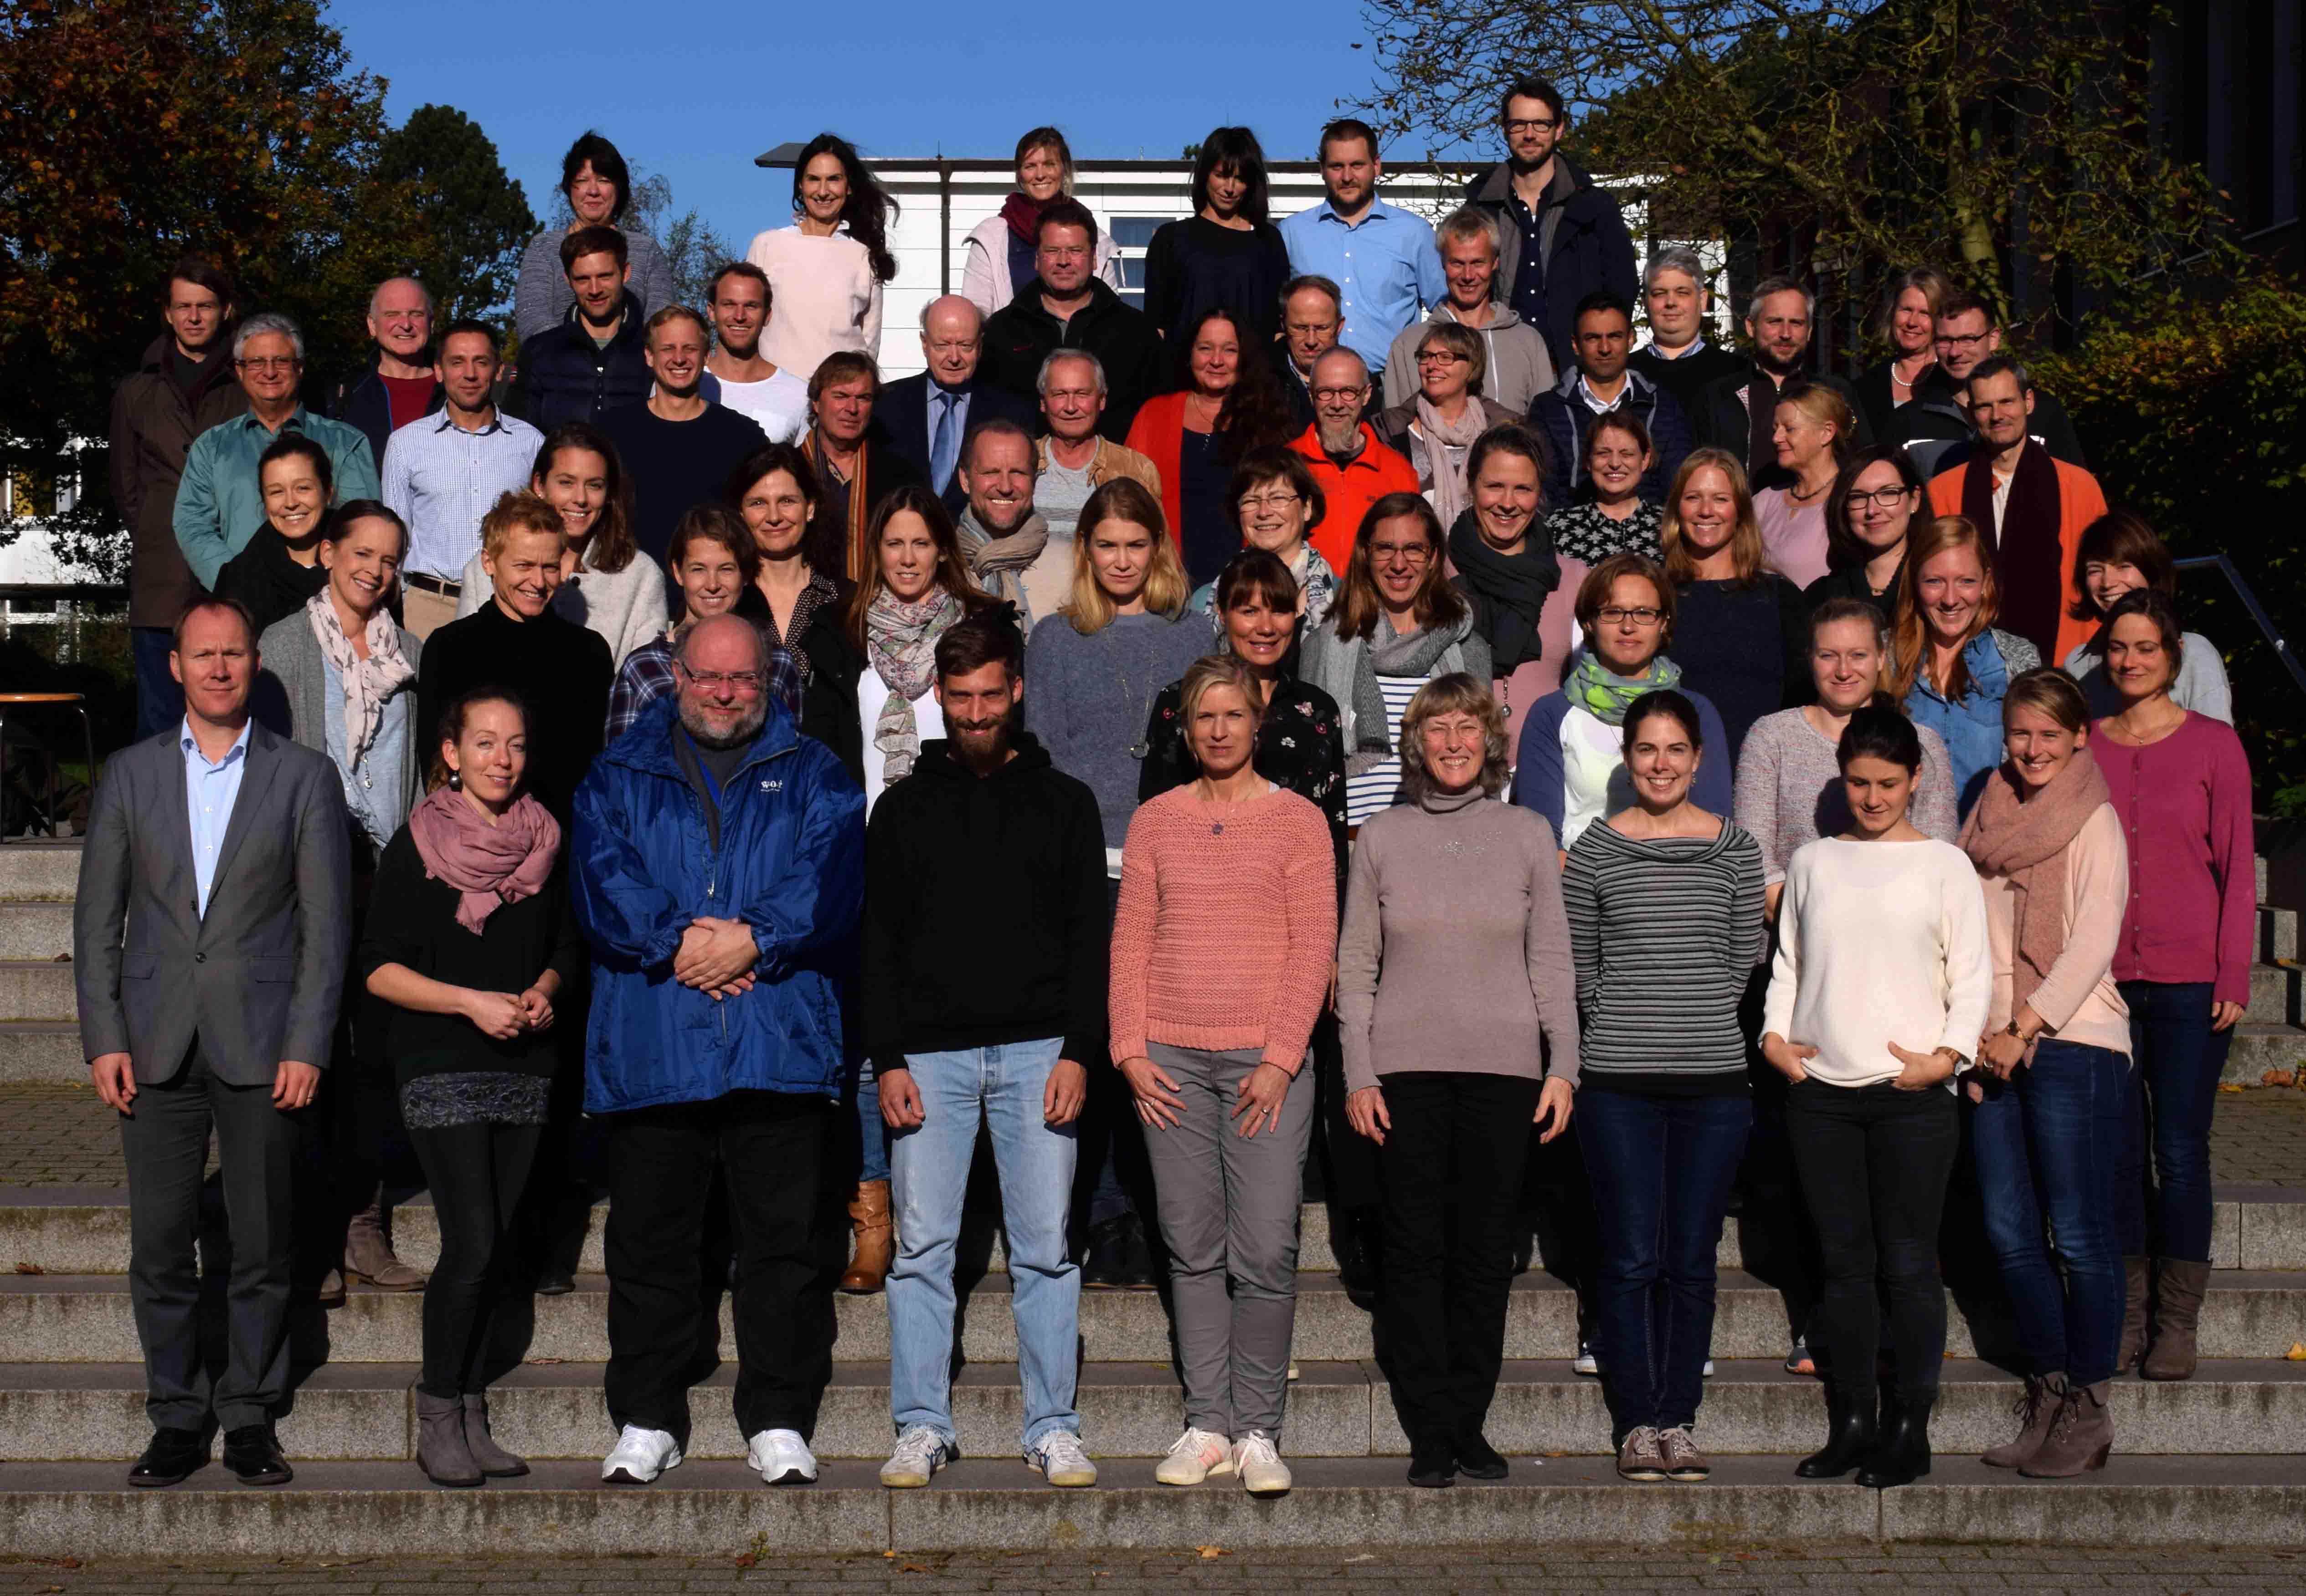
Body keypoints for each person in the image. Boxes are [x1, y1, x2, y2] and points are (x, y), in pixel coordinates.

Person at [570, 613, 864, 1488]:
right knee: (653, 1244)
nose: (725, 694)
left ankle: (776, 1413)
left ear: (768, 679)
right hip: (656, 1039)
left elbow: (830, 876)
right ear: (679, 677)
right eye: (708, 679)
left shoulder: (816, 772)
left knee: (783, 1245)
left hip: (778, 1039)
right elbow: (601, 877)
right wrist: (680, 941)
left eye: (742, 679)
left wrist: (755, 939)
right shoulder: (617, 772)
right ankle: (648, 1414)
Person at [75, 597, 352, 1488]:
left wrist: (309, 1040)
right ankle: (175, 1414)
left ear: (254, 665)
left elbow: (325, 926)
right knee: (160, 1240)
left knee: (263, 1240)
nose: (221, 667)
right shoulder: (128, 773)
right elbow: (95, 924)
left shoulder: (304, 777)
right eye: (204, 653)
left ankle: (248, 1413)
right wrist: (102, 1033)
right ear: (177, 665)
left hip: (266, 1040)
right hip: (151, 1040)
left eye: (234, 652)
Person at [864, 613, 1105, 1492]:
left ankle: (1053, 1427)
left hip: (1044, 1048)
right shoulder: (901, 807)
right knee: (923, 1249)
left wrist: (1081, 1050)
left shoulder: (1066, 803)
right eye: (959, 698)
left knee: (1044, 1248)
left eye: (989, 696)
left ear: (1018, 691)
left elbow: (1090, 941)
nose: (974, 714)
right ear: (938, 696)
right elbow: (878, 941)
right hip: (928, 1059)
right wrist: (887, 1056)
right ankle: (923, 1425)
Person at [1340, 673, 1580, 1487]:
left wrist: (1565, 1065)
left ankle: (1468, 1421)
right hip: (1403, 1073)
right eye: (1436, 727)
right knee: (1413, 1252)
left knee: (1483, 1255)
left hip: (1505, 1074)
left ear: (1490, 741)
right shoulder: (1381, 835)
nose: (1451, 742)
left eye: (1466, 727)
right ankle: (1428, 1428)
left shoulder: (1526, 832)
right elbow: (1357, 965)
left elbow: (1550, 957)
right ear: (1416, 742)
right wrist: (1358, 1071)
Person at [1113, 653, 1336, 1496]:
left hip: (1263, 1064)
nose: (1217, 730)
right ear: (1184, 726)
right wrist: (1130, 1050)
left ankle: (1258, 1430)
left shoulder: (1298, 822)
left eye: (1232, 715)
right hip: (1169, 1061)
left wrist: (1282, 1057)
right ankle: (1207, 1422)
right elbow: (1131, 938)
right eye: (1203, 717)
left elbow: (1314, 943)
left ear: (1257, 723)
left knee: (1269, 1246)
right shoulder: (1158, 819)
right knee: (1193, 1244)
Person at [1760, 704, 1989, 1488]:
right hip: (1819, 1091)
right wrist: (1774, 1038)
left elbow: (1974, 974)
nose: (1871, 796)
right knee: (1844, 1266)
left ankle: (1909, 1427)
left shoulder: (1945, 865)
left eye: (1888, 782)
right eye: (1857, 781)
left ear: (1916, 778)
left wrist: (1948, 1058)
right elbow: (1790, 960)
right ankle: (1853, 1420)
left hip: (1912, 1095)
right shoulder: (1816, 859)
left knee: (1908, 1264)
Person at [360, 688, 583, 1487]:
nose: (503, 758)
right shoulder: (414, 846)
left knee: (497, 1249)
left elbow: (566, 943)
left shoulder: (546, 839)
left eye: (516, 744)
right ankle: (438, 1406)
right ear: (451, 752)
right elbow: (378, 966)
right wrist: (468, 1001)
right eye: (485, 743)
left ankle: (471, 1407)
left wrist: (545, 989)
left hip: (525, 1062)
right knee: (473, 1241)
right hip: (440, 1060)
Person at [1561, 688, 1762, 1484]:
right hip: (1617, 1082)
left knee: (1692, 1256)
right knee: (1631, 1255)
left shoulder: (1737, 849)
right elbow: (1583, 966)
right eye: (1646, 748)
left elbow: (1742, 956)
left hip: (1715, 1081)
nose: (1661, 763)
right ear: (1627, 757)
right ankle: (1637, 1421)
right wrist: (1626, 1022)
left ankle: (1680, 1418)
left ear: (1699, 758)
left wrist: (1691, 1015)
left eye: (1675, 749)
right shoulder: (1597, 849)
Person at [1957, 669, 2131, 1478]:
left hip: (2074, 1036)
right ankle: (2050, 1387)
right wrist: (1988, 1030)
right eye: (2021, 733)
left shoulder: (2094, 819)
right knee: (2007, 1229)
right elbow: (1969, 930)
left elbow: (2093, 940)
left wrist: (2027, 1024)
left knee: (2080, 1231)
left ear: (2078, 739)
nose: (2032, 749)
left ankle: (2090, 1406)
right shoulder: (1987, 812)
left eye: (2049, 736)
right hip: (1996, 1039)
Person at [251, 502, 427, 1298]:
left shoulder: (410, 653)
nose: (376, 570)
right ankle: (309, 1233)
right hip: (303, 879)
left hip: (385, 881)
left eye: (390, 559)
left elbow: (416, 772)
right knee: (305, 1054)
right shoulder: (284, 645)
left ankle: (364, 1226)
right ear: (328, 552)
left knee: (370, 1061)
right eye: (362, 553)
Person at [2095, 590, 2255, 1384]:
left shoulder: (2215, 746)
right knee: (2121, 1154)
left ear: (2172, 656)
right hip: (2110, 986)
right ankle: (2125, 1316)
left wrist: (2234, 970)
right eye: (2118, 648)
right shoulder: (2087, 743)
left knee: (2180, 1152)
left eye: (2145, 648)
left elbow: (2235, 867)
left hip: (2194, 982)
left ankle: (2176, 1320)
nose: (2129, 661)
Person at [1736, 598, 1960, 915]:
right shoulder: (1772, 737)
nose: (1843, 671)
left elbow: (1938, 853)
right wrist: (1820, 928)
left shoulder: (1922, 743)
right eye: (1828, 656)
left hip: (1899, 931)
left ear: (1881, 657)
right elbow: (1754, 856)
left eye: (1858, 655)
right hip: (1791, 936)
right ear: (1810, 659)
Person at [417, 493, 614, 824]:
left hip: (566, 850)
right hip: (475, 845)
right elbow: (437, 768)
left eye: (550, 567)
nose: (538, 582)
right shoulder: (449, 648)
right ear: (489, 562)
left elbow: (597, 768)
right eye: (523, 565)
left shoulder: (589, 653)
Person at [1513, 552, 1732, 851]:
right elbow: (1540, 841)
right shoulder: (1551, 713)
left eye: (1643, 612)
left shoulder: (1697, 712)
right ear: (1589, 622)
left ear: (1664, 623)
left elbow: (1715, 824)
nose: (1628, 627)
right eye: (1612, 612)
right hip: (1578, 882)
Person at [1144, 550, 1348, 868]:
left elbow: (1332, 829)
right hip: (1199, 890)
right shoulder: (1182, 700)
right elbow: (1155, 820)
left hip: (1296, 897)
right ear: (1223, 615)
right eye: (1250, 611)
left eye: (1279, 611)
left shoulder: (1317, 712)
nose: (1266, 627)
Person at [113, 257, 248, 737]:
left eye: (205, 306)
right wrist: (159, 529)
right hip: (160, 578)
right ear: (168, 314)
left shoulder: (250, 383)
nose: (194, 317)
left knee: (235, 711)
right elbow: (127, 487)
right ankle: (159, 814)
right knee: (158, 719)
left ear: (225, 311)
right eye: (183, 306)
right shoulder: (136, 390)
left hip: (233, 570)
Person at [1302, 495, 1494, 826]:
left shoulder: (1467, 648)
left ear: (1433, 556)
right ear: (1366, 554)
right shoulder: (1322, 645)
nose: (1399, 564)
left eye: (1414, 549)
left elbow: (1485, 759)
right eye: (1385, 548)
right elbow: (1306, 760)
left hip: (1440, 838)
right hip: (1347, 843)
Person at [174, 313, 379, 591]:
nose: (269, 372)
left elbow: (362, 527)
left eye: (281, 361)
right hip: (239, 601)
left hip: (324, 599)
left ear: (300, 368)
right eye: (257, 362)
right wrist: (237, 582)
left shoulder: (345, 443)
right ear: (240, 370)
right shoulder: (211, 448)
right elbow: (193, 525)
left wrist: (321, 586)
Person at [1925, 355, 2109, 661]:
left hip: (2065, 657)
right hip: (1969, 661)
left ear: (2029, 402)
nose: (1997, 415)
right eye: (1985, 406)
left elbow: (2104, 574)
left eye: (2007, 402)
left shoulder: (2079, 486)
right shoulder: (1943, 491)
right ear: (1972, 413)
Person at [451, 423, 668, 670]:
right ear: (540, 485)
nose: (581, 499)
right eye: (566, 483)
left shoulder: (641, 576)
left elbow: (645, 684)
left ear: (609, 494)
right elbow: (464, 660)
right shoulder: (485, 569)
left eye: (594, 485)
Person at [1461, 75, 1639, 374]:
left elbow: (1622, 288)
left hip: (1574, 369)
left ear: (1559, 129)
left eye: (1541, 124)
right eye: (1519, 124)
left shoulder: (1595, 207)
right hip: (1496, 367)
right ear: (1505, 128)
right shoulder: (1480, 208)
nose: (1530, 134)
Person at [384, 319, 544, 639]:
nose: (470, 374)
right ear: (439, 371)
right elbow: (396, 536)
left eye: (481, 362)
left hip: (506, 605)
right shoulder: (406, 443)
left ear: (498, 370)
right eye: (457, 362)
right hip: (428, 608)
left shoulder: (531, 443)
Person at [847, 487, 997, 814]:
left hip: (958, 825)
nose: (908, 559)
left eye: (921, 544)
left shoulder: (981, 629)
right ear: (878, 550)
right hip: (869, 834)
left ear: (942, 551)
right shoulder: (850, 631)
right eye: (894, 544)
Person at [1657, 449, 1810, 763]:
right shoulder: (1655, 596)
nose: (1706, 511)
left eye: (1720, 499)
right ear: (1677, 508)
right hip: (1672, 774)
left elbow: (1804, 702)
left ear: (1740, 509)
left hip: (1762, 775)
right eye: (1693, 498)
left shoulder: (1781, 598)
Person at [604, 504, 801, 744]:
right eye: (698, 570)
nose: (712, 585)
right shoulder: (643, 668)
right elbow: (619, 768)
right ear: (678, 573)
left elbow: (792, 758)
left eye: (726, 570)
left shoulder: (778, 663)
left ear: (746, 574)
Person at [1127, 308, 1294, 586]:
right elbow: (1129, 499)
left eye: (1229, 350)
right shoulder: (1154, 414)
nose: (1217, 361)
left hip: (1248, 583)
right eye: (1206, 349)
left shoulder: (1269, 420)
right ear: (1190, 353)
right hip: (1165, 581)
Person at [1890, 514, 2043, 815]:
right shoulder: (1885, 657)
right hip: (1904, 852)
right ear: (1915, 582)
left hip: (1988, 849)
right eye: (1934, 581)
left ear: (1986, 583)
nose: (1950, 599)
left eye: (1966, 582)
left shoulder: (2018, 659)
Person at [594, 307, 769, 568]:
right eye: (668, 349)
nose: (679, 359)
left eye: (690, 349)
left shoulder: (744, 437)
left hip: (713, 592)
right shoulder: (609, 431)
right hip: (627, 588)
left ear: (707, 356)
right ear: (649, 356)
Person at [726, 446, 862, 781]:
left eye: (787, 501)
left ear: (811, 508)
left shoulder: (849, 601)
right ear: (741, 513)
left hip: (828, 788)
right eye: (758, 503)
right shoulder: (727, 603)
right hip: (742, 784)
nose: (774, 516)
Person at [981, 200, 1165, 441]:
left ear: (1095, 258)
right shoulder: (1002, 331)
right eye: (1052, 251)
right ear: (1037, 259)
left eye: (1075, 251)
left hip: (1115, 474)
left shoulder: (1136, 333)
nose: (1064, 261)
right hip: (1026, 474)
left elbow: (1157, 420)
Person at [1277, 119, 1445, 376]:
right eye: (1336, 166)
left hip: (1392, 389)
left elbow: (1443, 311)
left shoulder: (1415, 233)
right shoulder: (1291, 233)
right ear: (1322, 169)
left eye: (1357, 165)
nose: (1347, 177)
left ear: (1376, 166)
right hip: (1312, 390)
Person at [1690, 277, 1870, 489]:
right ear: (1751, 327)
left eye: (1796, 323)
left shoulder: (1835, 393)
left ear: (1810, 331)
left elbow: (1864, 465)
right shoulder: (1717, 396)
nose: (1786, 334)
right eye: (1775, 322)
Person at [1885, 290, 2088, 477]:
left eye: (1967, 339)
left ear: (1993, 339)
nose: (1955, 352)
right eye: (1945, 340)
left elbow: (2076, 491)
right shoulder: (1908, 422)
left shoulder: (2042, 412)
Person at [1445, 423, 1563, 736]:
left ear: (1539, 494)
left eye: (1523, 489)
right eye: (1495, 486)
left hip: (1547, 765)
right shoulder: (1434, 574)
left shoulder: (1572, 580)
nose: (1508, 503)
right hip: (1454, 766)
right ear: (1471, 486)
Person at [745, 132, 894, 379]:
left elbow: (869, 344)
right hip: (774, 400)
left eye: (833, 180)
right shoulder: (767, 246)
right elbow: (746, 324)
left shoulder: (863, 256)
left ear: (849, 188)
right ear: (801, 186)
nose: (823, 191)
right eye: (814, 179)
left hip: (839, 400)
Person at [1380, 209, 1557, 415]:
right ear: (1442, 264)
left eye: (1478, 263)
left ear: (1495, 263)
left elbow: (1545, 425)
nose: (1468, 276)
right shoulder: (1409, 344)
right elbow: (1395, 431)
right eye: (1457, 263)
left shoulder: (1528, 342)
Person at [2061, 511, 2232, 721]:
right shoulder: (2076, 665)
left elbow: (2217, 746)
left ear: (2151, 571)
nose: (2108, 583)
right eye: (2095, 570)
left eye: (2123, 567)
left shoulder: (2194, 654)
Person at [1527, 293, 1692, 511]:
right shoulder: (1548, 409)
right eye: (1593, 338)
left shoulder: (1663, 407)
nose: (1604, 349)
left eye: (1614, 336)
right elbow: (1543, 491)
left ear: (1631, 339)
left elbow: (1678, 486)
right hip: (1570, 537)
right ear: (1576, 345)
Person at [877, 295, 1038, 516]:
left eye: (965, 346)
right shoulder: (885, 404)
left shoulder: (1012, 412)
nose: (954, 358)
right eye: (942, 346)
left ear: (980, 345)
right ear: (925, 344)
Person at [1032, 351, 1163, 621]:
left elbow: (1160, 556)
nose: (1071, 407)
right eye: (1059, 395)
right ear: (1043, 403)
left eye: (1082, 394)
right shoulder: (1021, 466)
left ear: (1102, 400)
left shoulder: (1135, 470)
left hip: (1113, 619)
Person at [513, 132, 676, 342]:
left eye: (603, 180)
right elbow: (533, 321)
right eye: (582, 181)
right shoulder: (544, 248)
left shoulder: (646, 251)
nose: (593, 191)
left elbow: (662, 328)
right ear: (569, 188)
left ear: (619, 188)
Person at [1143, 128, 1293, 348]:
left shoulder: (1268, 240)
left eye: (1240, 179)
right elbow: (1156, 326)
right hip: (1184, 377)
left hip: (1253, 376)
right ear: (1205, 175)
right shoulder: (1171, 239)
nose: (1230, 189)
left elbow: (1278, 328)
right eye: (1221, 175)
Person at [960, 126, 1126, 316]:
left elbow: (1111, 318)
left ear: (1064, 169)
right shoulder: (990, 239)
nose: (1040, 175)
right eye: (1030, 166)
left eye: (1049, 164)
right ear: (1020, 174)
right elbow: (975, 315)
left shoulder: (1097, 240)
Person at [1373, 322, 1520, 533]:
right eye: (1426, 356)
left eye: (1445, 357)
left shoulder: (1501, 432)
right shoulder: (1389, 431)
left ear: (1472, 367)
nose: (1432, 366)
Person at [1287, 348, 1420, 574]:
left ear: (1367, 395)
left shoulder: (1398, 471)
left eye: (1348, 392)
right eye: (1326, 392)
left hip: (1371, 601)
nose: (1337, 404)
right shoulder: (1287, 464)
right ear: (1311, 395)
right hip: (1299, 600)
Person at [506, 227, 653, 430]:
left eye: (605, 276)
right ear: (568, 280)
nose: (595, 290)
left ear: (625, 273)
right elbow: (519, 435)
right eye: (583, 279)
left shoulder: (652, 351)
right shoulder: (539, 352)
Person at [798, 352, 925, 582]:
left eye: (864, 398)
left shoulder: (900, 476)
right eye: (841, 396)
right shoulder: (790, 471)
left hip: (879, 602)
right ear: (816, 402)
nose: (852, 408)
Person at [1185, 446, 1339, 632]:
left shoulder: (1345, 598)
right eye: (1251, 501)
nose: (1264, 512)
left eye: (1278, 498)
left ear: (1307, 508)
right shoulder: (1203, 603)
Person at [212, 435, 334, 638]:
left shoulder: (362, 561)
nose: (290, 502)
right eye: (276, 492)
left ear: (328, 492)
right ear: (264, 501)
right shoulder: (239, 581)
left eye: (303, 488)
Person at [318, 278, 443, 471]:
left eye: (416, 314)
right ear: (372, 325)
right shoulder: (343, 394)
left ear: (431, 323)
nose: (406, 325)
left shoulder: (455, 391)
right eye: (392, 314)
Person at [1751, 380, 1856, 589]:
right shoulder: (1764, 500)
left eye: (1789, 429)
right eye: (1776, 429)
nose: (1776, 438)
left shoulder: (1850, 500)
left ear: (1827, 433)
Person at [952, 419, 1052, 628]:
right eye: (991, 472)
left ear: (1034, 481)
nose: (1005, 487)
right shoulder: (941, 564)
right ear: (965, 480)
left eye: (1018, 473)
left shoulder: (1069, 566)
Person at [1802, 445, 1923, 612]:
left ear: (1915, 500)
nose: (1872, 510)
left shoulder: (1939, 588)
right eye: (1858, 497)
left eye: (1888, 493)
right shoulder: (1821, 598)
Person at [700, 263, 810, 444]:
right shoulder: (681, 386)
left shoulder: (799, 396)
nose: (740, 316)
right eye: (729, 305)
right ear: (711, 311)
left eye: (751, 306)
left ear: (768, 315)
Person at [1626, 247, 1742, 419]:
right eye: (1659, 294)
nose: (1671, 302)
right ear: (1645, 303)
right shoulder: (1624, 375)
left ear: (1702, 300)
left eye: (1682, 293)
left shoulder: (1737, 372)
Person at [1852, 267, 1946, 439]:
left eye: (1925, 313)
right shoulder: (1866, 386)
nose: (1912, 322)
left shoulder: (1952, 382)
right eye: (1907, 310)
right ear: (1893, 312)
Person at [1270, 276, 1351, 432]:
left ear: (1339, 327)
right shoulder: (1259, 382)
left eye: (1322, 328)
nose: (1311, 341)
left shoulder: (1358, 379)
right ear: (1284, 325)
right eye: (1300, 328)